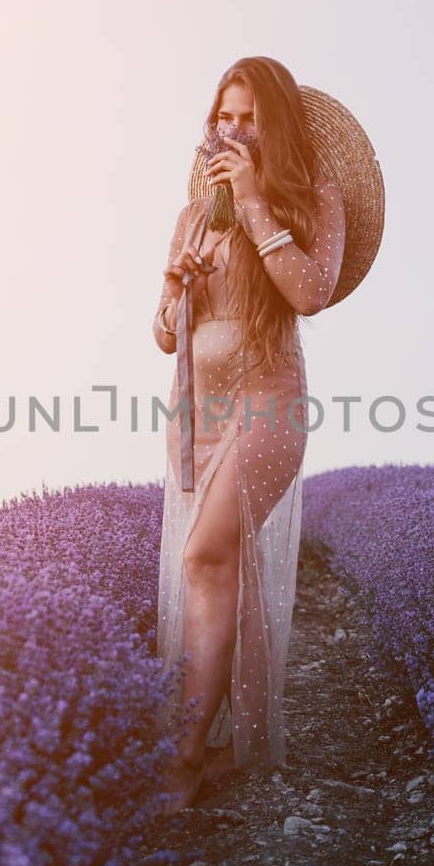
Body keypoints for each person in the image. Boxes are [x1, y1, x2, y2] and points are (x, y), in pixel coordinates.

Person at [150, 56, 348, 815]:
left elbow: (311, 291)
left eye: (247, 118)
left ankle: (186, 754)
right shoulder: (194, 213)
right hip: (199, 409)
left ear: (277, 124)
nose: (231, 131)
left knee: (205, 551)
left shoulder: (313, 199)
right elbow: (164, 335)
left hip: (270, 401)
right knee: (216, 566)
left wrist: (259, 204)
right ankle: (231, 741)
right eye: (222, 118)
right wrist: (178, 289)